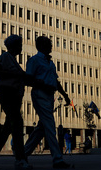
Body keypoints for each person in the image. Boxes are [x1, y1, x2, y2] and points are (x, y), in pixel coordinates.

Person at [24, 36, 73, 169]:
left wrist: (65, 95)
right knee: (50, 125)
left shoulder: (50, 63)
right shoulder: (34, 60)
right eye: (49, 44)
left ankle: (23, 154)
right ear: (41, 46)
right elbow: (27, 79)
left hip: (50, 96)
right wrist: (39, 83)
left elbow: (56, 81)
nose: (51, 46)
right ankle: (57, 159)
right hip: (40, 95)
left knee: (42, 128)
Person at [0, 35, 31, 169]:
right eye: (19, 44)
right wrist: (18, 75)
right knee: (17, 123)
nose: (21, 47)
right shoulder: (6, 57)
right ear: (14, 46)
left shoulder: (13, 60)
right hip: (7, 94)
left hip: (14, 96)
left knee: (9, 127)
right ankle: (20, 159)